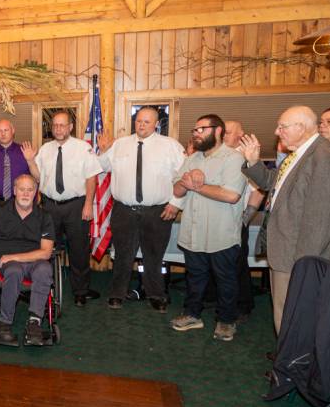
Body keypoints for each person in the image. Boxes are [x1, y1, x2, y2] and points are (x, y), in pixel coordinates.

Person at [239, 105, 330, 334]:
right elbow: (273, 184)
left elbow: (320, 221)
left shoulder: (323, 158)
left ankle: (292, 367)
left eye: (282, 126)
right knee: (286, 314)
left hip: (297, 257)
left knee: (293, 318)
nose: (276, 131)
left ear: (301, 128)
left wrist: (303, 267)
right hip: (285, 251)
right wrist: (254, 162)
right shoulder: (300, 153)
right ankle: (287, 361)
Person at [96, 107, 185, 312]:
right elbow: (102, 167)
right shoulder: (120, 145)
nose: (141, 125)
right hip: (124, 210)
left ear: (156, 124)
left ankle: (155, 295)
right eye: (138, 121)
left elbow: (184, 176)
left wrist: (176, 203)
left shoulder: (170, 146)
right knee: (122, 255)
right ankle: (117, 294)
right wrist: (103, 150)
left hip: (157, 211)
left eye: (146, 121)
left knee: (153, 256)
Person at [171, 114, 246, 342]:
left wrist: (198, 185)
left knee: (225, 279)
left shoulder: (234, 159)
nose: (196, 133)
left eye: (201, 129)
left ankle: (226, 320)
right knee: (194, 277)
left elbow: (231, 195)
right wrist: (186, 183)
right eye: (195, 129)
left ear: (218, 131)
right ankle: (193, 314)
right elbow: (176, 190)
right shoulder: (193, 159)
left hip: (220, 234)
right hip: (192, 233)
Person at [0, 176, 54, 346]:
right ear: (14, 190)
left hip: (34, 261)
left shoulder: (44, 216)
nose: (25, 193)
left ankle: (34, 323)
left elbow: (45, 253)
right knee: (14, 270)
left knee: (45, 269)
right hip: (6, 265)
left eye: (30, 190)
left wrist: (14, 256)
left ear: (35, 192)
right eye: (22, 189)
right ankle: (4, 325)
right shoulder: (0, 210)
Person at [29, 111, 102, 307]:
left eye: (62, 125)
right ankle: (46, 287)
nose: (58, 129)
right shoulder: (45, 149)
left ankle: (80, 291)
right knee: (47, 249)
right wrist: (29, 160)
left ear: (70, 127)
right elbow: (37, 177)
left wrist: (88, 204)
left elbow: (91, 178)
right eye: (55, 125)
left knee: (78, 249)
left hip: (76, 206)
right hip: (50, 206)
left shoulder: (82, 148)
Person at [223, 120, 265, 321]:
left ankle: (243, 306)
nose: (224, 135)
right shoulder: (218, 154)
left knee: (237, 265)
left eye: (228, 132)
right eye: (222, 131)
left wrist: (245, 219)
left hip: (238, 220)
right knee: (218, 263)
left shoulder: (247, 157)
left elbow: (258, 191)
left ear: (241, 136)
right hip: (217, 219)